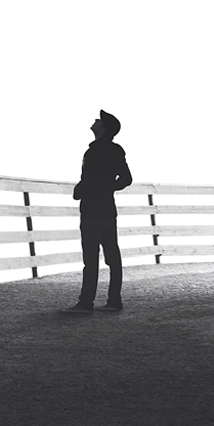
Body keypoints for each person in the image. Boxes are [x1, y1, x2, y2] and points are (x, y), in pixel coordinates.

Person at [71, 110, 131, 311]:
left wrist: (81, 190)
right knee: (112, 255)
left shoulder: (92, 151)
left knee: (90, 257)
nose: (95, 121)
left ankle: (86, 302)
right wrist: (108, 187)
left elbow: (88, 180)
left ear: (103, 129)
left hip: (90, 210)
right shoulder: (116, 150)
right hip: (107, 208)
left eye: (99, 120)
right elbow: (126, 179)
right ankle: (114, 300)